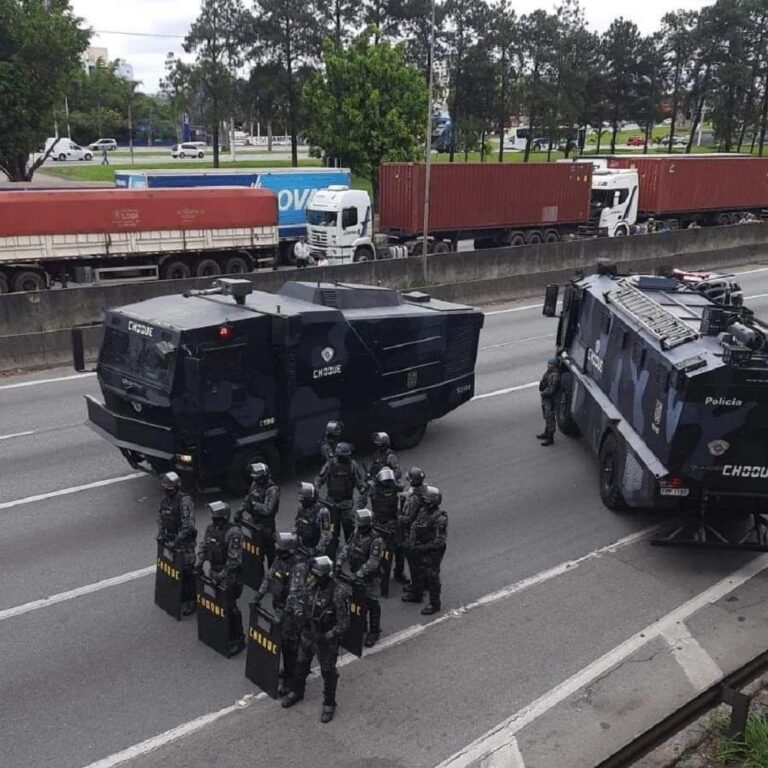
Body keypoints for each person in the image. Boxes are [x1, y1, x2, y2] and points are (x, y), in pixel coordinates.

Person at [281, 555, 351, 723]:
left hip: (325, 638)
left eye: (316, 574)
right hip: (308, 633)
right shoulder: (312, 585)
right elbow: (298, 599)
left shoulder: (338, 592)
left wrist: (328, 635)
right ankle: (297, 691)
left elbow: (345, 623)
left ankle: (329, 703)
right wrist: (298, 612)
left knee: (328, 672)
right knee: (301, 663)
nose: (313, 577)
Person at [252, 532, 310, 696]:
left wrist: (282, 615)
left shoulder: (297, 567)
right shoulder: (279, 561)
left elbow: (294, 595)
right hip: (280, 607)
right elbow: (268, 579)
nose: (278, 552)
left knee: (290, 646)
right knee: (284, 644)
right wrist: (257, 597)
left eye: (281, 550)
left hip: (291, 612)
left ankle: (291, 681)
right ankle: (289, 671)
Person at [195, 501, 246, 655]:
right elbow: (204, 547)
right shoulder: (211, 529)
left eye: (216, 517)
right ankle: (221, 631)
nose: (213, 519)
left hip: (229, 575)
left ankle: (238, 638)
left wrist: (220, 576)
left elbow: (234, 561)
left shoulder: (234, 533)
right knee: (215, 603)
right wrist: (199, 564)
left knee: (230, 606)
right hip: (214, 570)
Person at [337, 509, 383, 647]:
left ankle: (374, 631)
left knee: (372, 603)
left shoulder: (376, 540)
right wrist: (339, 562)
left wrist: (357, 575)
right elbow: (347, 548)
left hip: (369, 577)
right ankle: (361, 624)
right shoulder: (357, 533)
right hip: (355, 572)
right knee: (356, 600)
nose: (356, 525)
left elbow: (373, 563)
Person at [156, 472, 197, 616]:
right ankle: (184, 594)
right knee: (175, 570)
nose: (167, 490)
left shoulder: (184, 501)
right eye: (165, 488)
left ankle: (193, 600)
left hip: (184, 542)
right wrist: (161, 533)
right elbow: (161, 517)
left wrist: (177, 541)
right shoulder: (165, 500)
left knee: (188, 571)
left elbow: (189, 526)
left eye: (170, 488)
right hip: (170, 539)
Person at [402, 486, 447, 616]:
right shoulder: (423, 511)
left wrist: (424, 547)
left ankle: (435, 603)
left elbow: (440, 540)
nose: (424, 502)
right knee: (417, 569)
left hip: (434, 550)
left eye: (427, 500)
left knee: (432, 575)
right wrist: (411, 542)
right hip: (420, 544)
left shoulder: (441, 519)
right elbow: (415, 526)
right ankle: (417, 594)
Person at [360, 467, 401, 597]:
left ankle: (398, 574)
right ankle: (380, 583)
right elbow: (361, 502)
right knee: (380, 555)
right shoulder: (373, 488)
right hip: (379, 526)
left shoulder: (394, 486)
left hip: (393, 525)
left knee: (400, 550)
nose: (388, 485)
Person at [315, 441, 367, 543]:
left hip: (346, 504)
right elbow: (319, 479)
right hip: (331, 503)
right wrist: (316, 490)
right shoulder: (330, 464)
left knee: (350, 533)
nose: (346, 458)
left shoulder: (352, 465)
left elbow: (359, 483)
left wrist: (364, 491)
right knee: (332, 532)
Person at [235, 462, 280, 569]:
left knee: (270, 552)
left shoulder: (272, 489)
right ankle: (258, 576)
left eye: (257, 477)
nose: (254, 480)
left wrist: (254, 504)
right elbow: (248, 498)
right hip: (254, 523)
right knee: (255, 552)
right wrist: (240, 511)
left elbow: (267, 509)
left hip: (267, 525)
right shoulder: (255, 484)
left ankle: (271, 575)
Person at [396, 466, 427, 585]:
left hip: (413, 531)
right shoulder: (425, 490)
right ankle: (425, 582)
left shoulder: (413, 499)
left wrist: (398, 515)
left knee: (413, 561)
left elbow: (407, 519)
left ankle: (417, 586)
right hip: (424, 528)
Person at [294, 482, 334, 556]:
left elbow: (327, 534)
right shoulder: (301, 509)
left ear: (310, 498)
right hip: (303, 547)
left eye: (304, 500)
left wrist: (317, 550)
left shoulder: (322, 511)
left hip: (316, 549)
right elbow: (297, 525)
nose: (302, 503)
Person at [537, 358, 560, 447]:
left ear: (553, 365)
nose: (548, 365)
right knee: (547, 417)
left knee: (550, 418)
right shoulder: (550, 373)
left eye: (549, 364)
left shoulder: (554, 375)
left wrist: (543, 393)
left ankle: (550, 438)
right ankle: (546, 433)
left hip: (550, 400)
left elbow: (552, 389)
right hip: (547, 399)